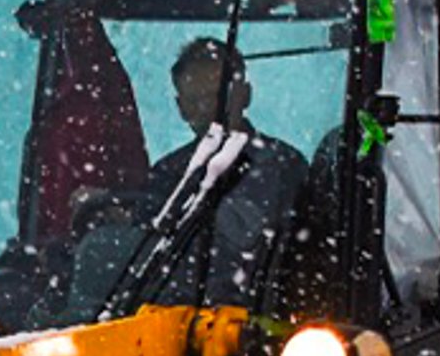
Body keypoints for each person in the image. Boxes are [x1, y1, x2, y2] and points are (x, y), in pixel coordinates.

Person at [123, 36, 310, 309]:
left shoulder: (285, 169)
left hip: (254, 323)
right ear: (180, 108)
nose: (207, 109)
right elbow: (141, 252)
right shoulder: (166, 175)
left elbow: (298, 262)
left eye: (216, 96)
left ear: (245, 95)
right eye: (194, 100)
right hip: (165, 322)